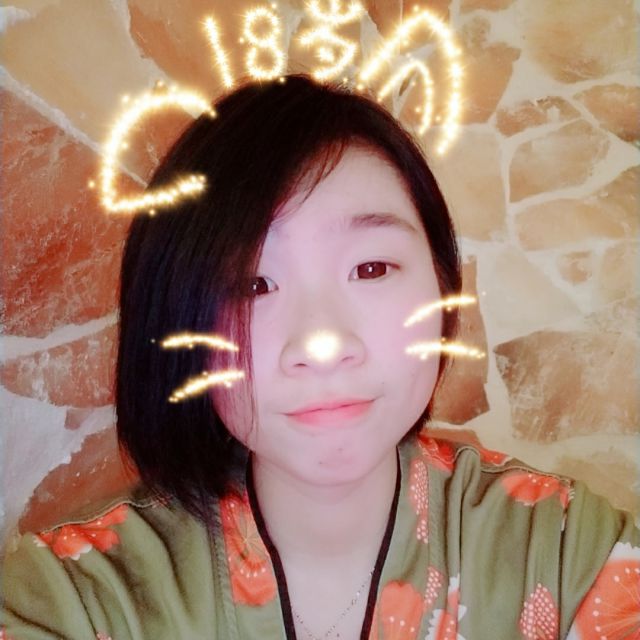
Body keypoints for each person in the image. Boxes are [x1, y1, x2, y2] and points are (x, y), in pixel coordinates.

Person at [2, 75, 638, 640]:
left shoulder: (570, 554)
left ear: (444, 287)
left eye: (371, 268)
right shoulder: (77, 598)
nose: (323, 343)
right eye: (252, 284)